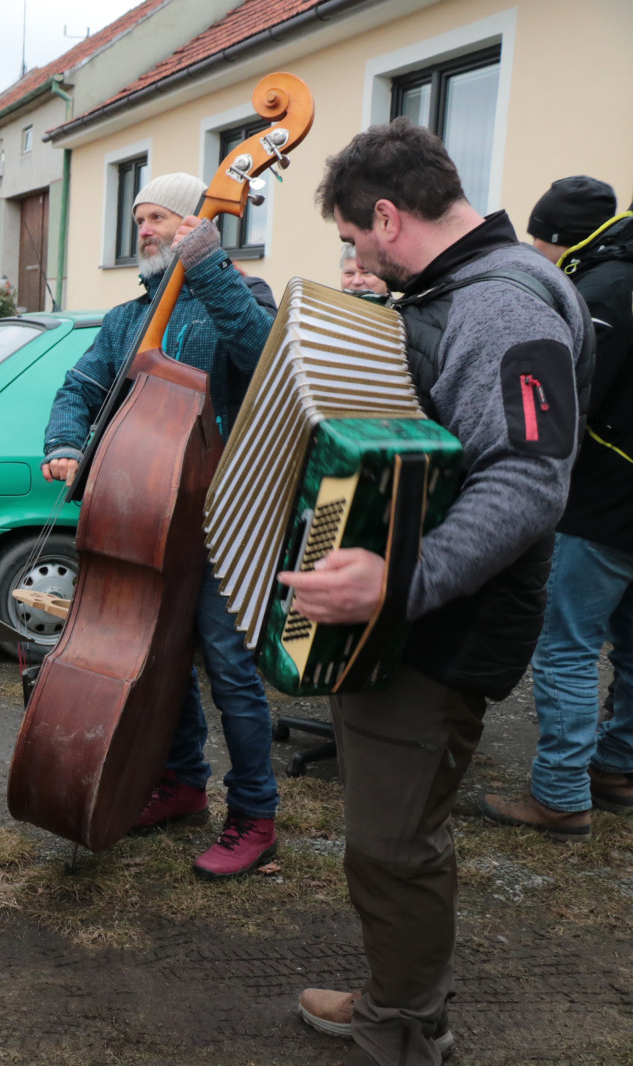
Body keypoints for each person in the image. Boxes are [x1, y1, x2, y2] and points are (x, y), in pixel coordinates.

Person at [286, 118, 592, 1066]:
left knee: (393, 845)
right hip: (420, 615)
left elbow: (530, 483)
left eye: (349, 237)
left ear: (386, 214)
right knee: (391, 834)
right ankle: (396, 998)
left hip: (440, 629)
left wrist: (398, 582)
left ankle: (405, 1032)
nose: (352, 254)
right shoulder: (467, 289)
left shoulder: (504, 306)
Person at [41, 172, 282, 881]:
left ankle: (255, 815)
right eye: (138, 218)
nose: (142, 229)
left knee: (230, 669)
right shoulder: (125, 319)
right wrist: (64, 442)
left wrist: (208, 269)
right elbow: (80, 387)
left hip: (219, 514)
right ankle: (181, 784)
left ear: (191, 226)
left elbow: (265, 355)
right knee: (156, 661)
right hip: (146, 518)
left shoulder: (243, 295)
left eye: (157, 219)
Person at [479, 176, 633, 839]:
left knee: (568, 648)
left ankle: (561, 793)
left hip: (602, 504)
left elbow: (570, 400)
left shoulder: (600, 293)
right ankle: (617, 767)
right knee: (631, 646)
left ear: (563, 239)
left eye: (539, 241)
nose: (536, 253)